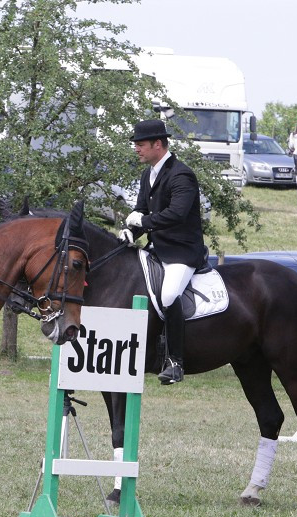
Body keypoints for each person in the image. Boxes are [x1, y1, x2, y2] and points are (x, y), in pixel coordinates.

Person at [120, 118, 207, 385]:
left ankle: (175, 362)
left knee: (169, 295)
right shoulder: (149, 174)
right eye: (135, 144)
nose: (136, 148)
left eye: (141, 144)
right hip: (156, 249)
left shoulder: (182, 174)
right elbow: (142, 211)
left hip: (182, 252)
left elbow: (176, 214)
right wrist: (130, 231)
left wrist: (143, 223)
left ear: (158, 144)